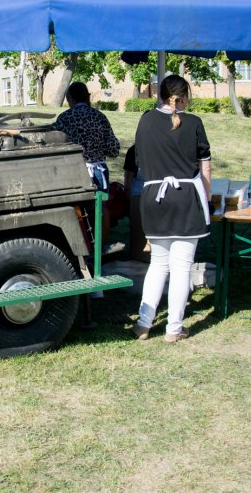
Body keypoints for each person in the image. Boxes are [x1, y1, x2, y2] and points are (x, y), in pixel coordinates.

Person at [132, 75, 211, 343]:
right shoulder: (194, 123)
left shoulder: (145, 120)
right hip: (186, 197)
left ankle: (143, 324)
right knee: (181, 268)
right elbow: (205, 168)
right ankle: (174, 328)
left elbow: (140, 160)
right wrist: (207, 199)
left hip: (154, 197)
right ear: (183, 96)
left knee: (157, 265)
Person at [52, 82, 121, 191]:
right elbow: (113, 149)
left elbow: (54, 146)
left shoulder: (64, 118)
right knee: (99, 207)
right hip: (99, 171)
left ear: (70, 98)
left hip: (73, 172)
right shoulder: (99, 116)